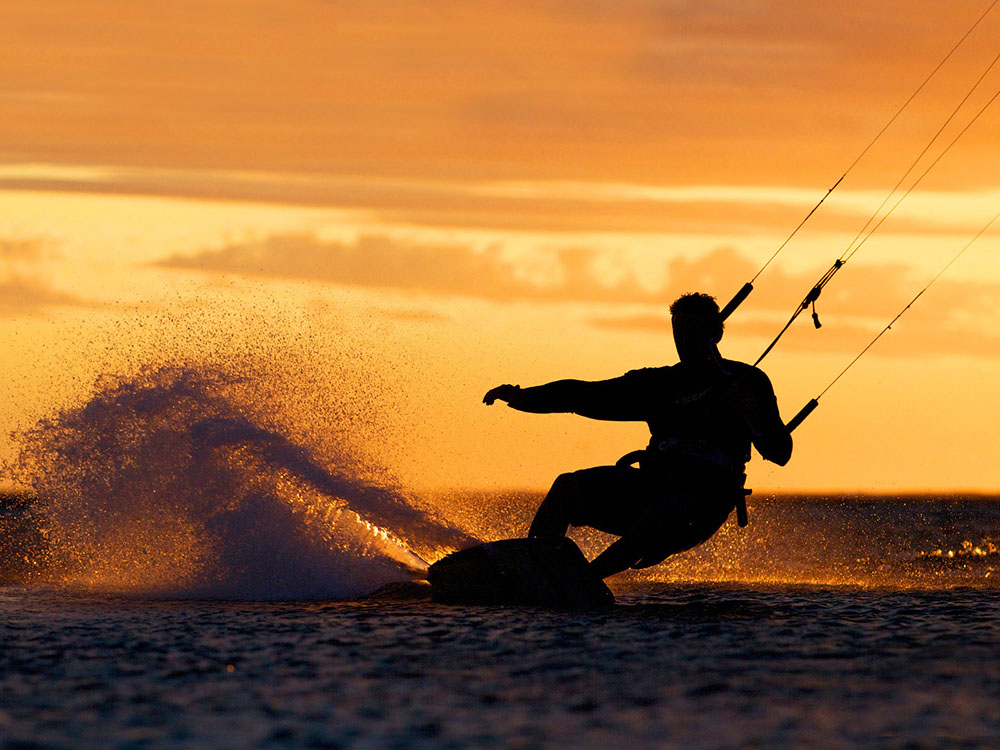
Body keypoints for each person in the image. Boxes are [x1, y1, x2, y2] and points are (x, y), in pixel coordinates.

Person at [483, 292, 792, 579]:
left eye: (694, 332)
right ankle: (533, 568)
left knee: (656, 518)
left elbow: (780, 453)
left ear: (716, 334)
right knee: (568, 486)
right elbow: (582, 394)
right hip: (653, 486)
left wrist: (752, 413)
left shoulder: (747, 382)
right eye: (679, 333)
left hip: (703, 502)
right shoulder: (660, 383)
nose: (685, 341)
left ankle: (582, 581)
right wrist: (522, 397)